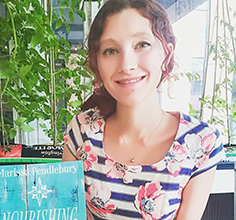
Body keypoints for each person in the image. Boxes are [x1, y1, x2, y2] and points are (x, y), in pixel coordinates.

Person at [62, 0, 225, 219]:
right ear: (96, 62)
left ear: (166, 52)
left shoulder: (200, 143)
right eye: (111, 50)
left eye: (142, 44)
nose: (126, 65)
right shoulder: (81, 132)